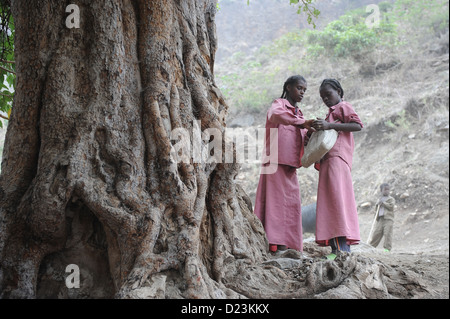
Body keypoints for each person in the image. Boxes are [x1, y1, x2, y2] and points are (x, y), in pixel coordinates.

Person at [254, 75, 314, 253]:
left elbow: (300, 138)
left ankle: (290, 245)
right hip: (275, 161)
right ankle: (276, 245)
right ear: (288, 87)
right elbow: (275, 115)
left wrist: (309, 134)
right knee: (276, 204)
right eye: (299, 88)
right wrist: (302, 123)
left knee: (292, 205)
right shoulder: (279, 104)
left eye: (304, 90)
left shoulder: (299, 113)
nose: (302, 92)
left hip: (291, 165)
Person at [312, 79, 363, 260]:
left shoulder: (343, 107)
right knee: (330, 204)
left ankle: (343, 250)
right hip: (328, 161)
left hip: (337, 161)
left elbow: (357, 125)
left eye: (329, 94)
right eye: (322, 97)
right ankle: (335, 250)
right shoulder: (329, 115)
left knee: (337, 203)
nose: (325, 99)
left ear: (339, 92)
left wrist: (329, 125)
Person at [368, 183, 396, 252]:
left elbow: (391, 207)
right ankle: (370, 248)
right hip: (380, 219)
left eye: (388, 189)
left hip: (388, 219)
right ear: (381, 190)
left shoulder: (391, 199)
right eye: (385, 189)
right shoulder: (379, 200)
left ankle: (387, 249)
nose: (387, 191)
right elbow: (376, 210)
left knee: (387, 234)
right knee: (376, 234)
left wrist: (383, 204)